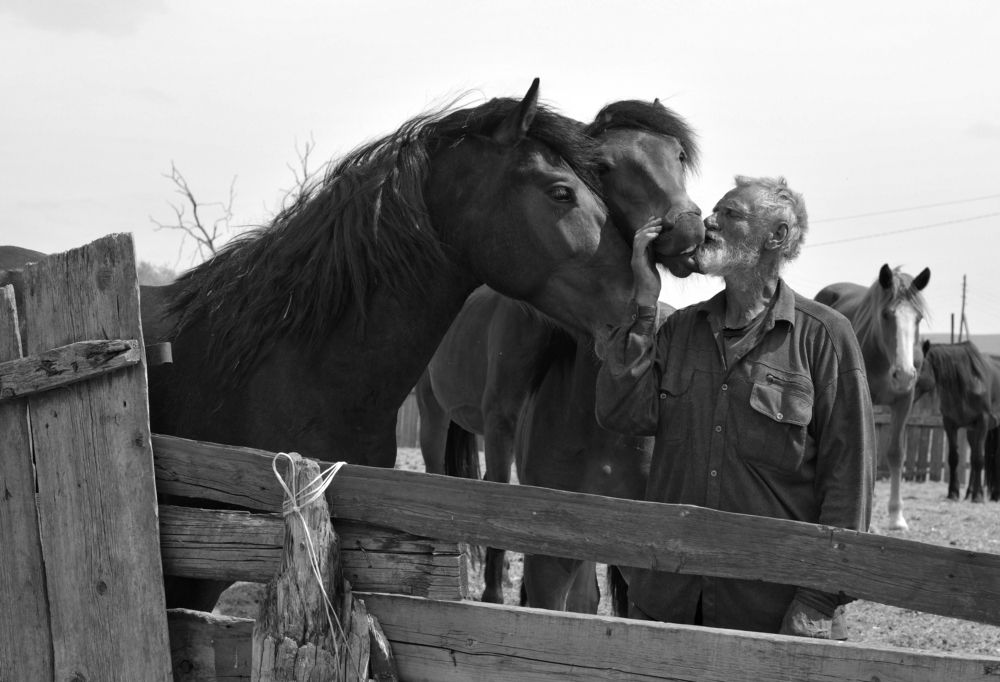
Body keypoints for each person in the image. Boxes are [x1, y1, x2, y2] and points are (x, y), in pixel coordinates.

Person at [595, 175, 876, 638]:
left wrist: (817, 601)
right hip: (668, 604)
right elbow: (620, 413)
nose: (709, 221)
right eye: (715, 211)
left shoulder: (825, 337)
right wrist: (644, 299)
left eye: (731, 214)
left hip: (773, 615)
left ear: (776, 236)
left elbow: (849, 483)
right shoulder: (678, 330)